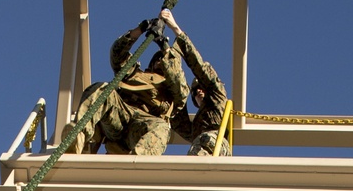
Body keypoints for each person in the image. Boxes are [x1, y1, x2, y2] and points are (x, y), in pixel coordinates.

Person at [71, 16, 189, 155]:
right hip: (120, 116)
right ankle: (77, 139)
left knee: (162, 128)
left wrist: (164, 47)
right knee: (102, 88)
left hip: (142, 125)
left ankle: (137, 165)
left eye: (163, 58)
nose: (161, 61)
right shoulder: (135, 74)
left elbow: (178, 84)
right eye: (158, 59)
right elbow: (117, 56)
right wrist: (140, 30)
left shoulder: (174, 90)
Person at [160, 8, 232, 156]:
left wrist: (176, 29)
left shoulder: (218, 97)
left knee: (203, 140)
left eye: (201, 88)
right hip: (200, 148)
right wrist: (166, 52)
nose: (198, 91)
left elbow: (198, 66)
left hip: (215, 144)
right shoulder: (195, 128)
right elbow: (175, 110)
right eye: (194, 91)